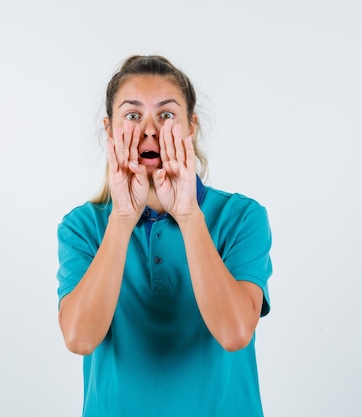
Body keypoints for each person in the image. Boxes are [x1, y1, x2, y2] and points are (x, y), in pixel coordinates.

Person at [56, 55, 273, 417]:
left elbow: (235, 333)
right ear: (110, 131)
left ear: (191, 127)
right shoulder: (83, 226)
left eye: (167, 115)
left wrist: (188, 215)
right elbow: (79, 338)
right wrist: (123, 218)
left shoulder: (242, 217)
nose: (150, 129)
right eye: (133, 115)